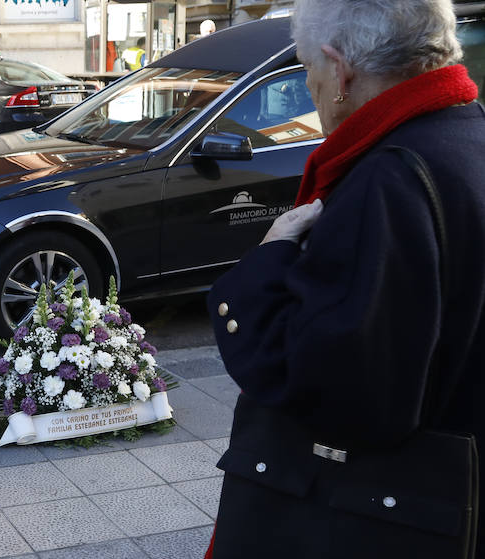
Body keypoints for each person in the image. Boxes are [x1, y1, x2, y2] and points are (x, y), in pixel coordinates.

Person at [204, 0, 485, 556]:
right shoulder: (466, 136)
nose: (309, 85)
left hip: (373, 520)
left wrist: (268, 261)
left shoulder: (385, 181)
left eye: (308, 67)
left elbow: (334, 391)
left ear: (340, 69)